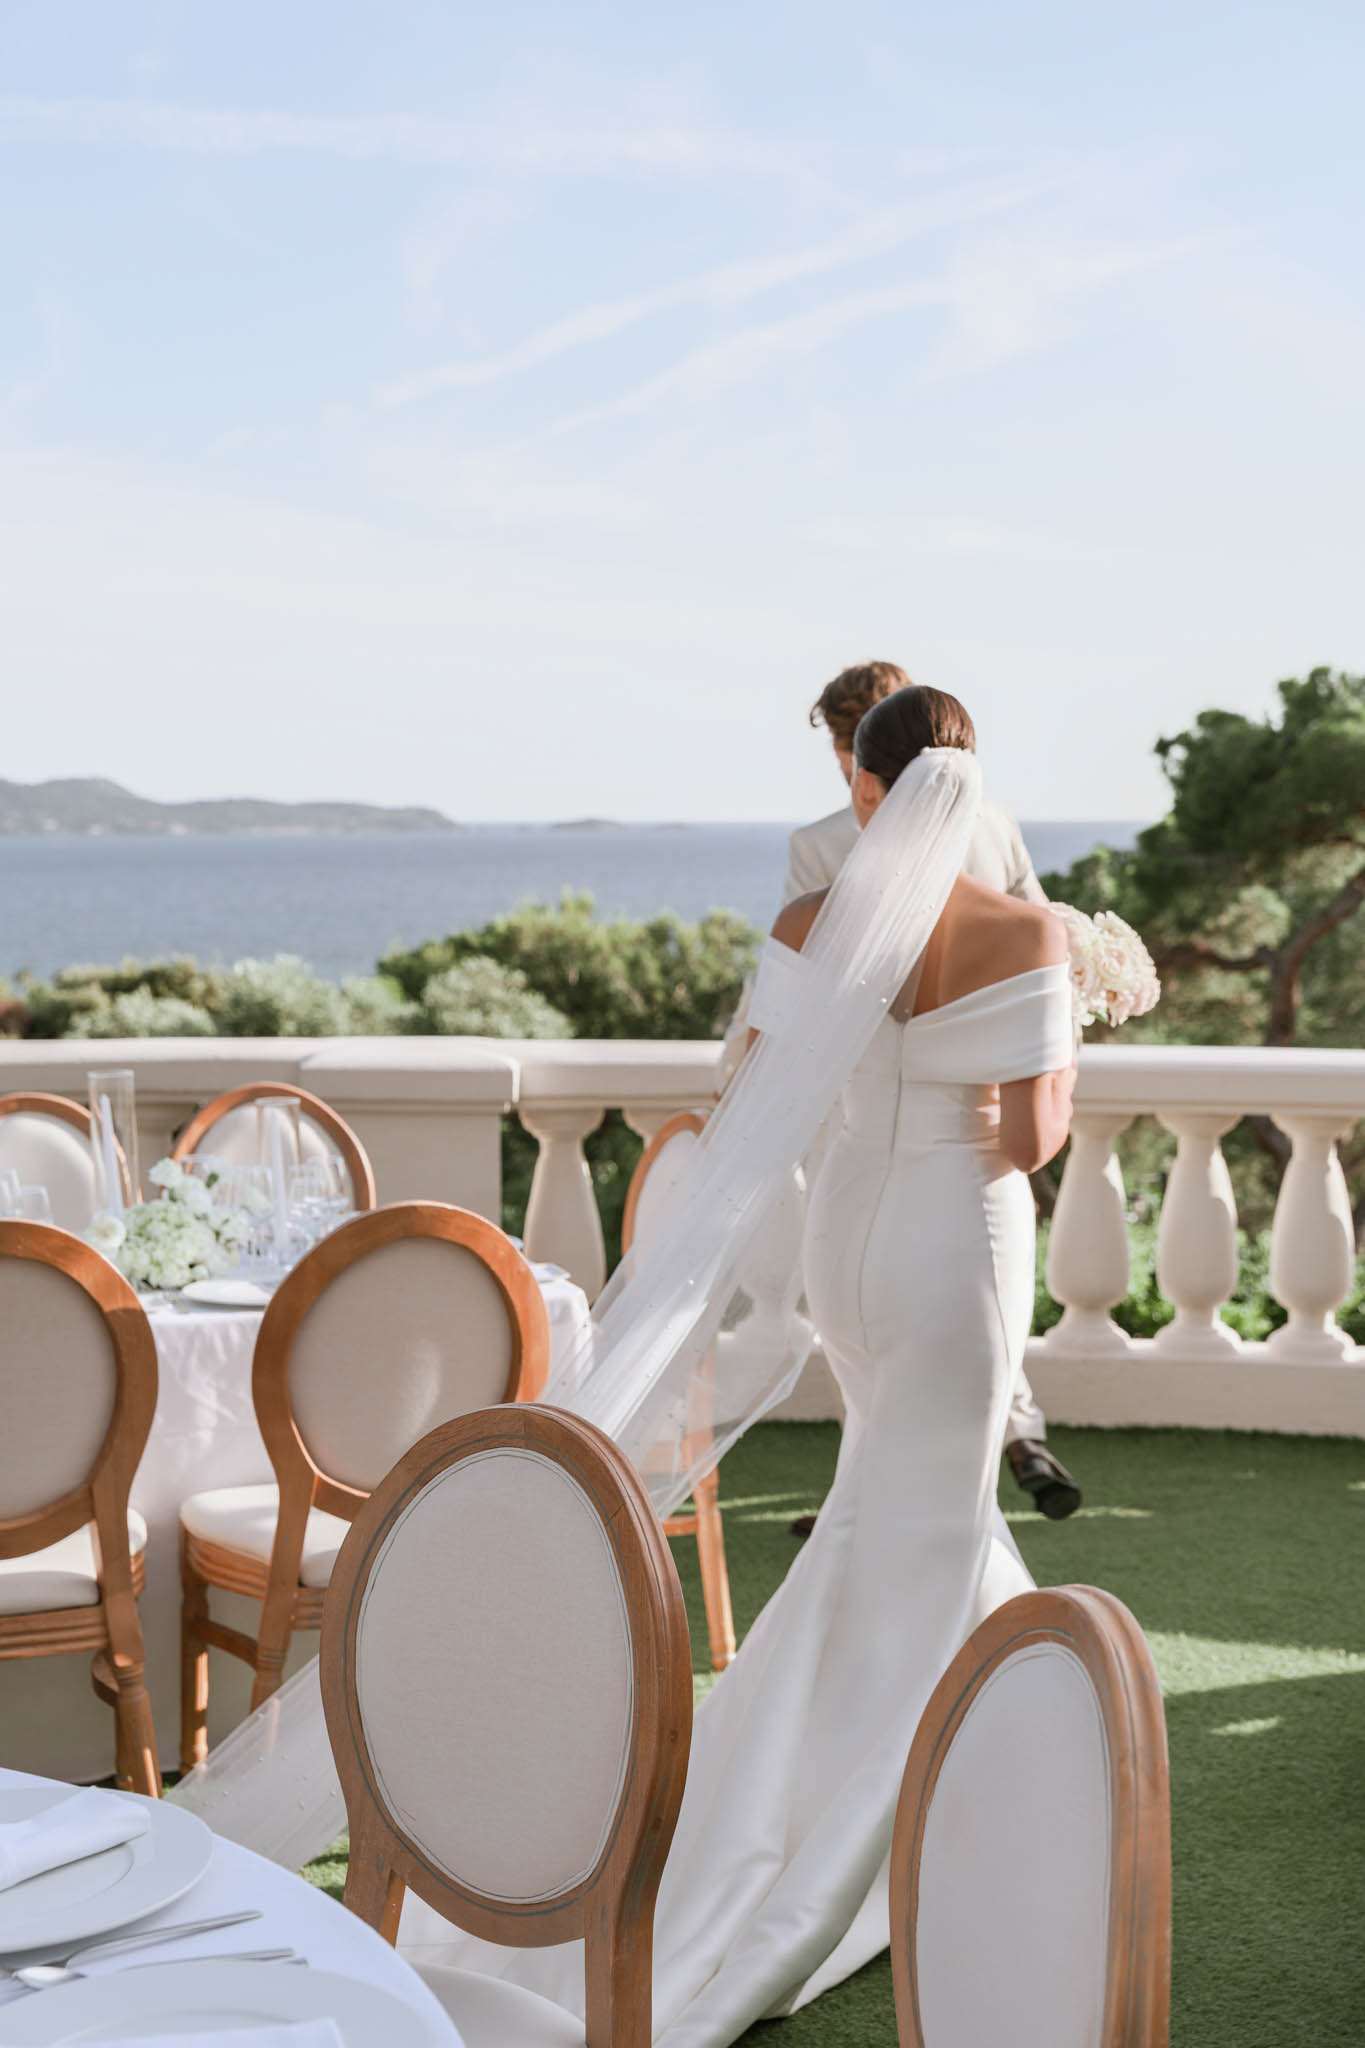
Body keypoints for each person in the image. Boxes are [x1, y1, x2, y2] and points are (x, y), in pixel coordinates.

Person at [787, 661, 1081, 1525]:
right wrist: (1055, 1052)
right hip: (960, 1216)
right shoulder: (1027, 935)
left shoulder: (805, 917)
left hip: (843, 1215)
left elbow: (783, 1064)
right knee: (950, 1489)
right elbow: (1029, 1144)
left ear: (865, 785)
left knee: (874, 1439)